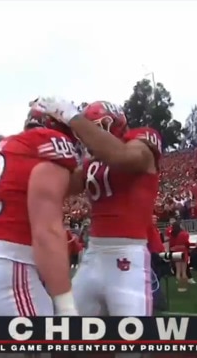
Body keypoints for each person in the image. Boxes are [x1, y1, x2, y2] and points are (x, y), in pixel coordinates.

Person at [32, 98, 161, 316]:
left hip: (128, 256)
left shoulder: (141, 140)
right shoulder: (91, 161)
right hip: (94, 254)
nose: (89, 139)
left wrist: (73, 118)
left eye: (96, 130)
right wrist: (55, 142)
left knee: (132, 338)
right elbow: (62, 187)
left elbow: (122, 156)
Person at [0, 105, 79, 316]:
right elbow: (47, 232)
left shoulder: (3, 147)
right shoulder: (47, 143)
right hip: (9, 272)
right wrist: (67, 306)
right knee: (45, 341)